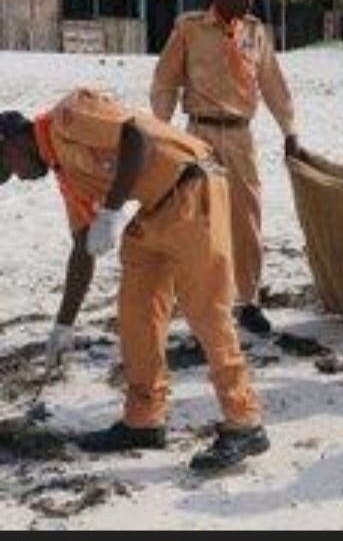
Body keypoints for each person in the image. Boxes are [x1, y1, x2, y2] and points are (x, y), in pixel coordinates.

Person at [0, 90, 268, 472]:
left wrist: (110, 211)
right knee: (136, 313)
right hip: (153, 210)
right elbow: (82, 248)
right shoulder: (64, 174)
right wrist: (64, 324)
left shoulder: (68, 114)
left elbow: (135, 138)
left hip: (192, 185)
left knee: (207, 312)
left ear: (11, 141)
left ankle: (244, 421)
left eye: (8, 168)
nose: (19, 179)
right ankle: (144, 419)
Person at [151, 0, 301, 336]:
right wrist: (161, 131)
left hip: (240, 136)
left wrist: (290, 130)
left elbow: (273, 84)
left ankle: (248, 301)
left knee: (246, 219)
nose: (249, 1)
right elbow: (165, 81)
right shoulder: (189, 28)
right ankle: (204, 303)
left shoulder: (255, 33)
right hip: (198, 136)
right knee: (198, 220)